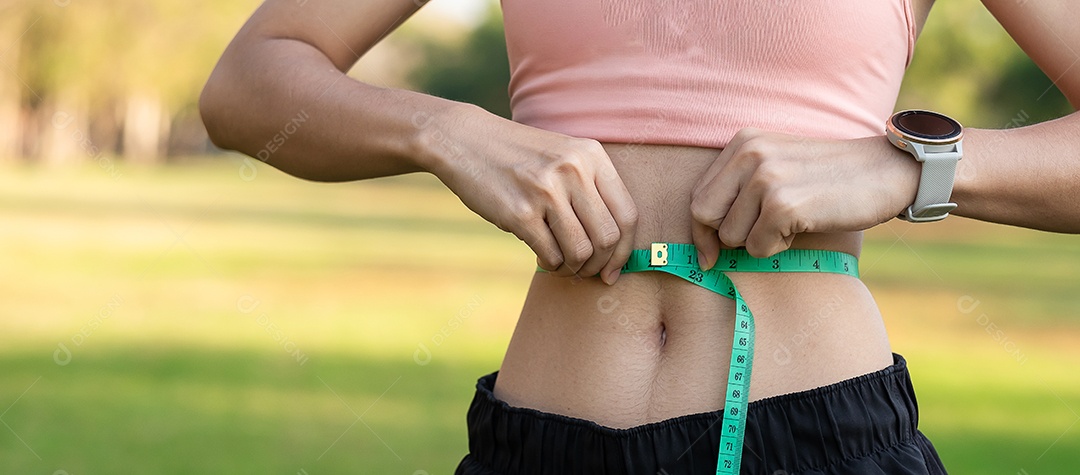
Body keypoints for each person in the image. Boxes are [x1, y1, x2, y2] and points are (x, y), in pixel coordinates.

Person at [200, 0, 1080, 473]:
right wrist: (445, 130)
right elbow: (250, 81)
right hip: (543, 441)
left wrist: (907, 169)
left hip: (818, 445)